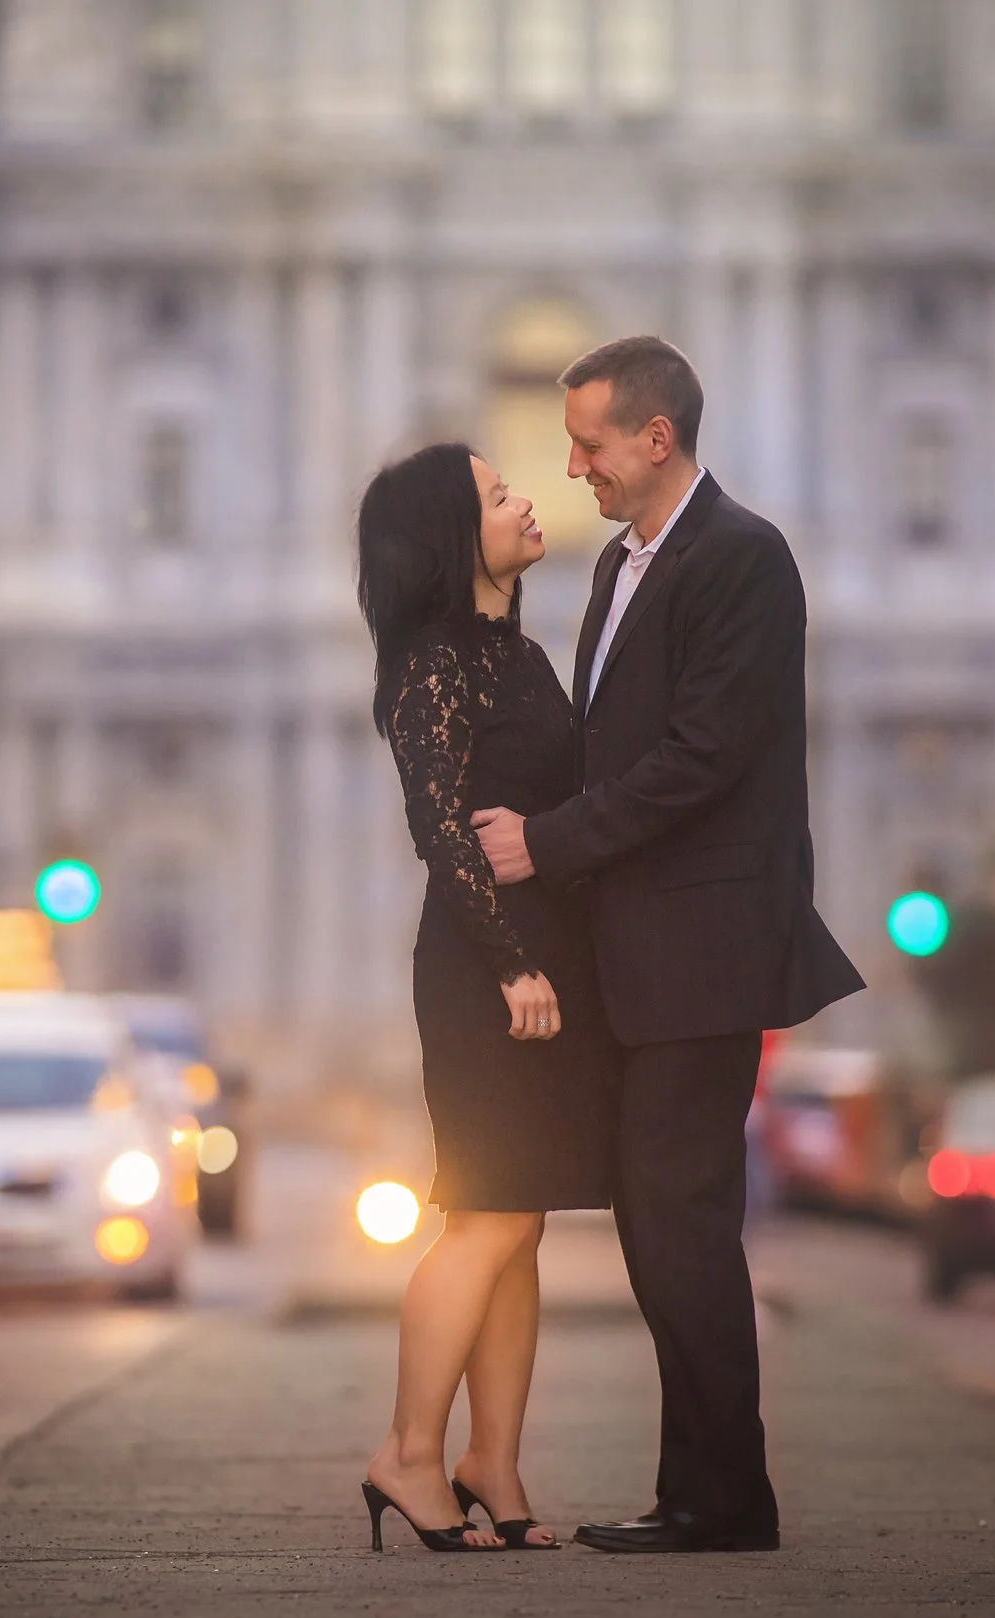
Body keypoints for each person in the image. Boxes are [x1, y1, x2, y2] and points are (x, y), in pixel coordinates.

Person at [472, 336, 864, 1553]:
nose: (573, 463)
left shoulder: (740, 557)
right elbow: (608, 736)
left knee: (678, 1216)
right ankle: (697, 1486)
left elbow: (702, 755)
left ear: (655, 437)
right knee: (659, 1218)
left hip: (704, 944)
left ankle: (722, 1498)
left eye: (589, 441)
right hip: (644, 952)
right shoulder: (621, 567)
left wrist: (551, 842)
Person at [354, 441, 621, 1553]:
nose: (525, 499)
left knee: (519, 1226)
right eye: (497, 493)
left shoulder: (511, 652)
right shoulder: (435, 660)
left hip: (539, 966)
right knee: (487, 1217)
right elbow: (440, 827)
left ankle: (492, 1463)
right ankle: (408, 1452)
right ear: (454, 538)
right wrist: (512, 961)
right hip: (486, 971)